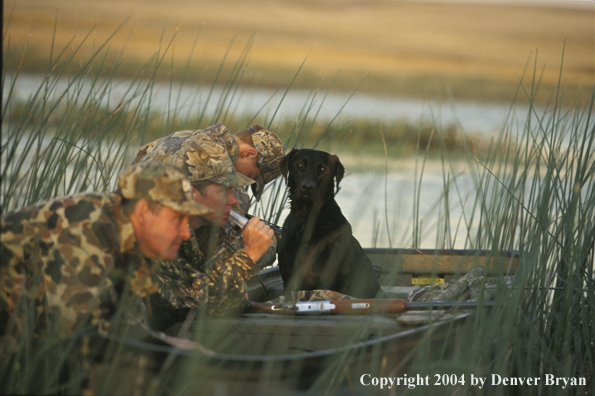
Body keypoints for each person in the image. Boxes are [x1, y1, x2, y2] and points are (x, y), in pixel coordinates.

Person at [0, 162, 211, 393]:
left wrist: (164, 341)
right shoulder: (85, 231)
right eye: (177, 219)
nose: (186, 232)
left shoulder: (130, 237)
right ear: (143, 212)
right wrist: (167, 349)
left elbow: (122, 318)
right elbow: (85, 338)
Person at [135, 132, 276, 328]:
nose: (234, 200)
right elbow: (196, 301)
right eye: (223, 190)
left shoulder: (185, 227)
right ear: (190, 192)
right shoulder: (154, 231)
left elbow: (199, 289)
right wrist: (249, 255)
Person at [134, 123, 285, 216]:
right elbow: (216, 255)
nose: (242, 184)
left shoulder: (180, 136)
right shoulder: (223, 172)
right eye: (251, 176)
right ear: (249, 154)